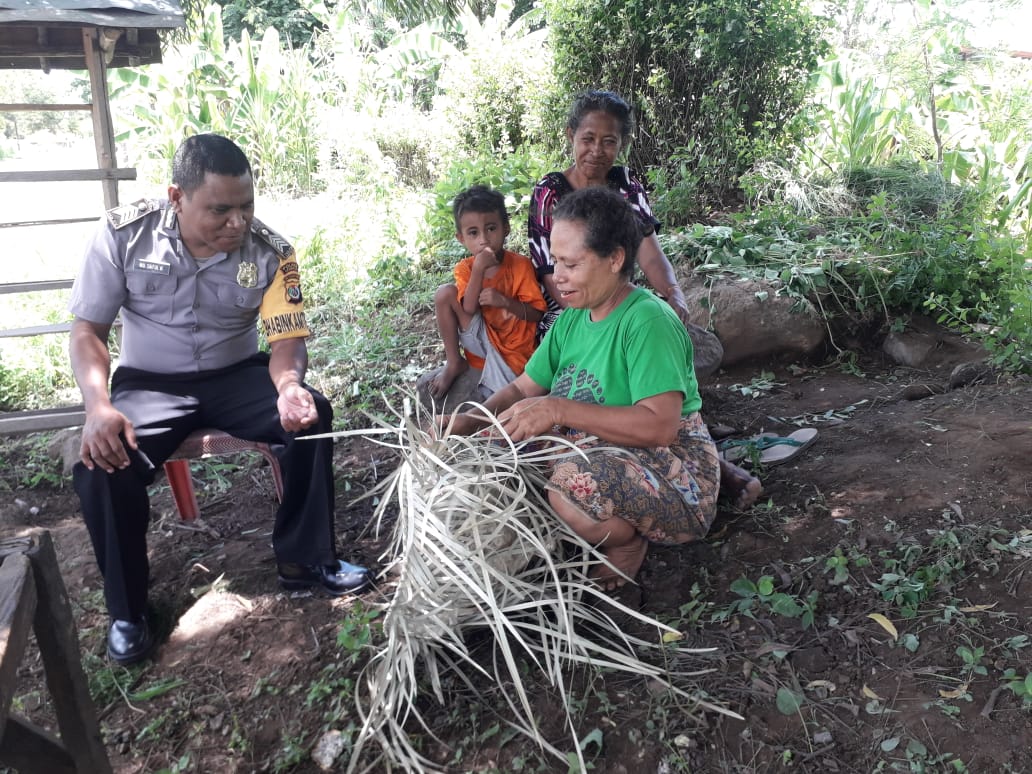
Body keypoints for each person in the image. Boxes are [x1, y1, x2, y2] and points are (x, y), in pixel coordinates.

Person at [68, 133, 370, 665]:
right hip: (150, 383)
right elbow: (88, 331)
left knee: (311, 416)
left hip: (237, 376)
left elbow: (286, 342)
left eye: (247, 205)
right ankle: (128, 611)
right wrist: (98, 406)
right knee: (101, 460)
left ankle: (306, 561)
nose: (238, 222)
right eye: (220, 209)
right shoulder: (124, 236)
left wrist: (289, 387)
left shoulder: (273, 252)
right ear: (177, 197)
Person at [448, 187, 720, 589]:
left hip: (678, 478)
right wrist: (469, 422)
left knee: (571, 485)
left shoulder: (647, 322)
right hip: (603, 448)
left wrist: (559, 410)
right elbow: (524, 388)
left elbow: (660, 428)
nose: (557, 276)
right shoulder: (572, 319)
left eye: (571, 264)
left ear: (615, 259)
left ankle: (625, 545)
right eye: (556, 260)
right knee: (497, 454)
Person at [529, 89, 761, 509]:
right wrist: (590, 320)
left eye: (609, 141)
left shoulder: (625, 185)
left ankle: (694, 464)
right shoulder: (550, 192)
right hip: (570, 306)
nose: (597, 150)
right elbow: (552, 273)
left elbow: (650, 252)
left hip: (611, 296)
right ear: (570, 136)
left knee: (652, 352)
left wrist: (671, 295)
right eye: (587, 139)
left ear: (622, 145)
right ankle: (706, 465)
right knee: (582, 369)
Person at [428, 185, 546, 401]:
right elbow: (469, 309)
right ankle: (454, 362)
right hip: (481, 338)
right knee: (444, 293)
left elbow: (538, 315)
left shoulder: (520, 266)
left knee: (507, 403)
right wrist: (479, 270)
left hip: (513, 351)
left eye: (491, 228)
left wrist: (505, 302)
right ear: (461, 238)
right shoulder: (466, 268)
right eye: (473, 233)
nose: (483, 239)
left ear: (506, 228)